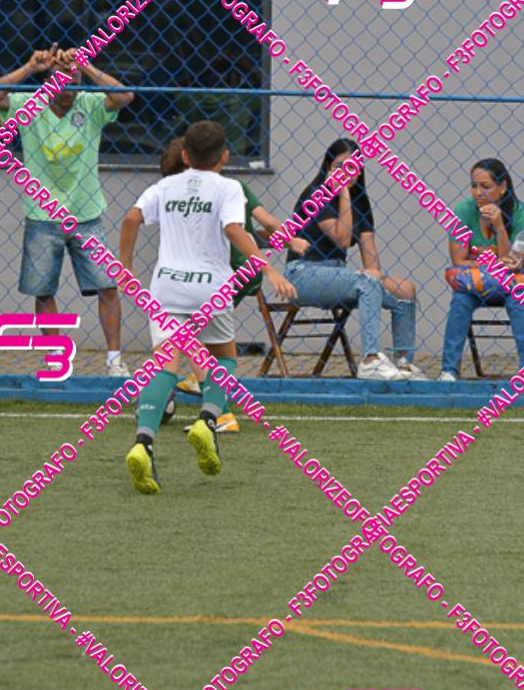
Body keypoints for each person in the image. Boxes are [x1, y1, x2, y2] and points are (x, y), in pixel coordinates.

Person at [119, 120, 296, 494]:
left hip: (166, 288)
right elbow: (234, 230)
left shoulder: (165, 186)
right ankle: (208, 420)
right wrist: (268, 268)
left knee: (164, 365)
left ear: (184, 155)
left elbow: (131, 218)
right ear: (225, 156)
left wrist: (125, 267)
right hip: (210, 290)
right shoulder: (229, 187)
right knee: (225, 359)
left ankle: (143, 443)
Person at [0, 46, 134, 376]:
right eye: (62, 81)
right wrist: (30, 67)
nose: (69, 88)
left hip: (86, 214)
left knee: (108, 287)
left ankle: (114, 360)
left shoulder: (90, 104)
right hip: (42, 214)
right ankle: (55, 357)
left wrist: (86, 66)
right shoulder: (28, 104)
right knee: (44, 290)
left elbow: (125, 96)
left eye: (74, 81)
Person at [160, 137, 309, 433]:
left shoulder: (209, 195)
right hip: (238, 273)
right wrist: (288, 240)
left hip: (231, 274)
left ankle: (221, 412)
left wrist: (289, 241)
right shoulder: (232, 188)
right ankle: (205, 388)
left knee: (188, 337)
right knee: (197, 338)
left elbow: (250, 227)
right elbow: (262, 224)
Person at [284, 138, 424, 380]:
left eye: (352, 167)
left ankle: (403, 363)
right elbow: (343, 238)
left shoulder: (361, 200)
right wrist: (343, 192)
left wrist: (375, 274)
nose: (346, 173)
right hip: (303, 274)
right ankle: (370, 360)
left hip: (339, 274)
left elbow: (369, 253)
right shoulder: (315, 195)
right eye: (339, 166)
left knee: (405, 289)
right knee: (366, 282)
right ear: (328, 168)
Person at [439, 158, 524, 380]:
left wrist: (499, 227)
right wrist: (495, 265)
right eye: (474, 185)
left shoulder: (519, 214)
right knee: (460, 301)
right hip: (475, 283)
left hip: (511, 284)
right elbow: (459, 260)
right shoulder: (463, 211)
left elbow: (513, 263)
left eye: (485, 187)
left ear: (502, 187)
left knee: (519, 301)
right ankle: (449, 370)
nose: (478, 193)